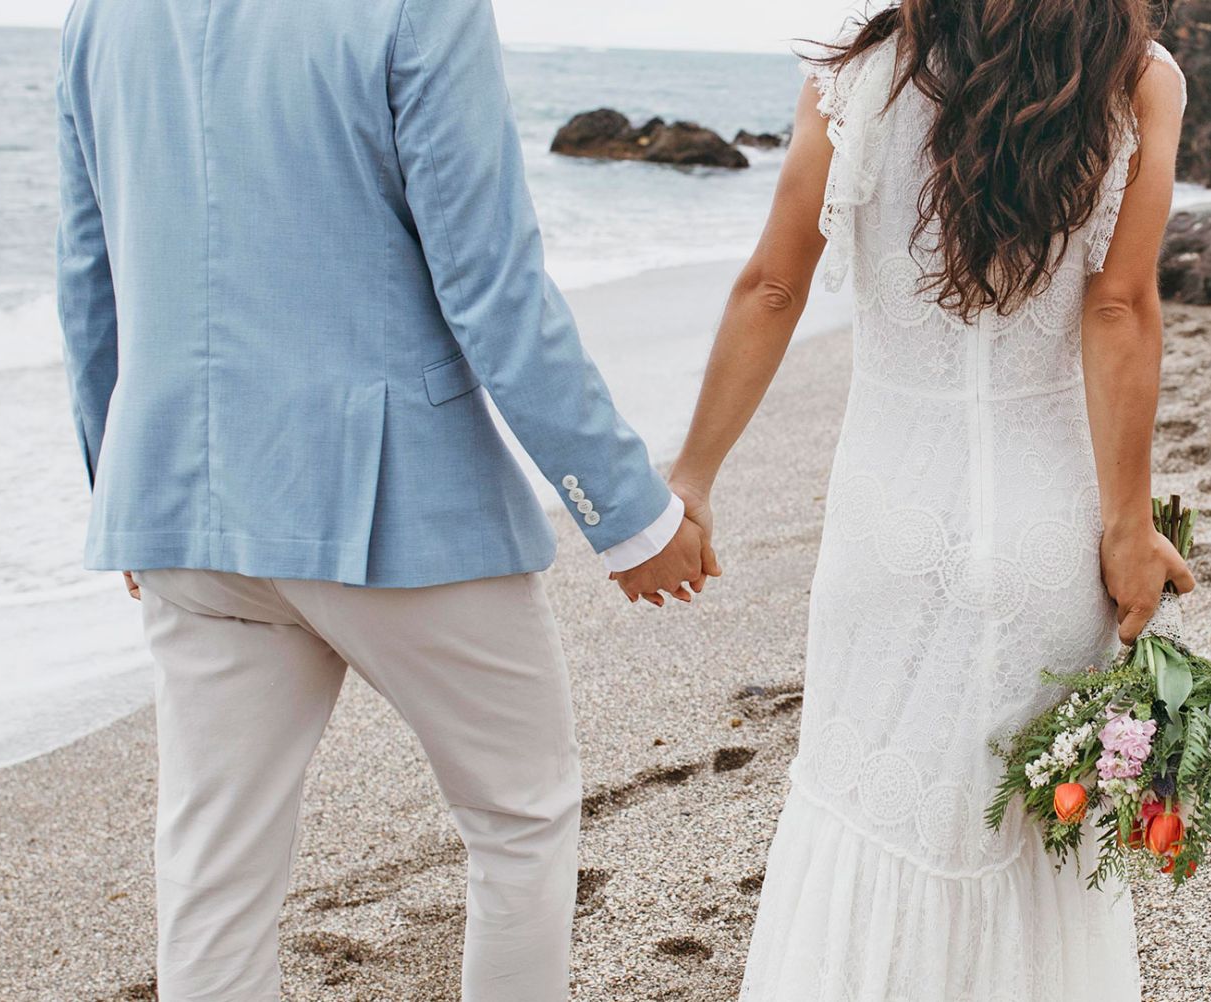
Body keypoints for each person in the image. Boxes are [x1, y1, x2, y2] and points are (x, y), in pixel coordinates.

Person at [53, 0, 717, 998]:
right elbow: (490, 284)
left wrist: (126, 490)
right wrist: (625, 512)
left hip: (186, 508)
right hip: (395, 509)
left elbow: (86, 277)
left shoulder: (99, 15)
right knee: (520, 817)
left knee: (212, 880)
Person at [661, 0, 1193, 995]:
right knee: (1029, 834)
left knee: (872, 818)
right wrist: (1129, 526)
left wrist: (691, 478)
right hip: (1049, 525)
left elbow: (771, 285)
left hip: (887, 522)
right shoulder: (1137, 76)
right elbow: (1118, 308)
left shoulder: (858, 78)